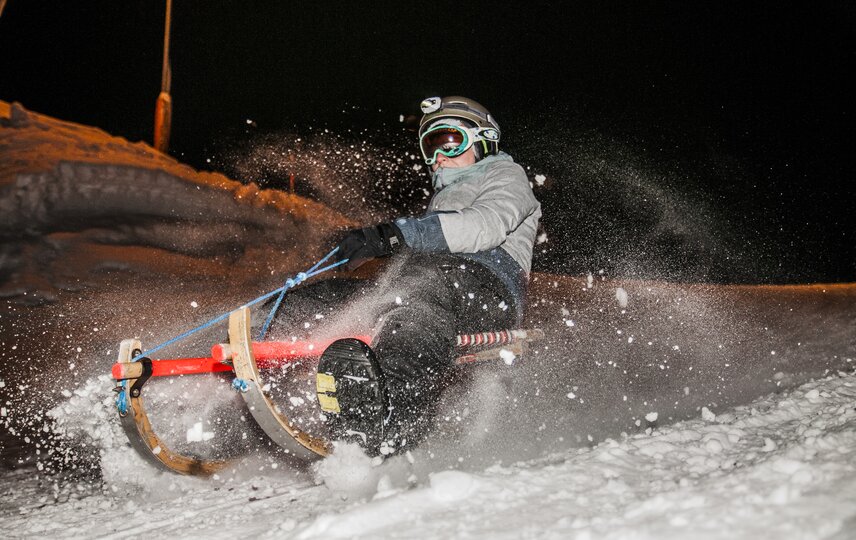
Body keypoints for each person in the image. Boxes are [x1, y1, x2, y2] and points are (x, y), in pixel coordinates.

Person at [314, 96, 542, 456]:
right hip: (433, 287)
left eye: (449, 141)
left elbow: (485, 225)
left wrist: (395, 234)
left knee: (420, 284)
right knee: (328, 297)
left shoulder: (505, 175)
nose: (438, 156)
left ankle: (395, 413)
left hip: (487, 288)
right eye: (430, 147)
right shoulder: (442, 198)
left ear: (483, 140)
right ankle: (232, 402)